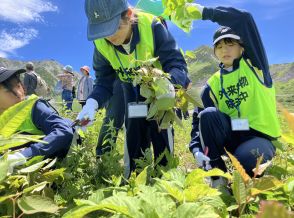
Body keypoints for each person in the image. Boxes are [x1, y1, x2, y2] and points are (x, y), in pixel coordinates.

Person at [78, 0, 190, 177]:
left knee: (162, 137)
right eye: (103, 31)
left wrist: (171, 84)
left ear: (129, 15)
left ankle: (166, 179)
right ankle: (134, 180)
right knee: (134, 137)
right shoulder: (101, 44)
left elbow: (177, 63)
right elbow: (104, 81)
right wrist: (91, 103)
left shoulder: (152, 26)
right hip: (130, 90)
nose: (110, 37)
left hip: (160, 93)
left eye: (114, 28)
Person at [189, 4, 281, 185]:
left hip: (258, 137)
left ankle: (245, 169)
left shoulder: (256, 67)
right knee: (207, 115)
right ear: (214, 52)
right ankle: (217, 177)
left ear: (242, 48)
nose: (225, 49)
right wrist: (196, 149)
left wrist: (205, 12)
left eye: (230, 43)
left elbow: (245, 19)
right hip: (231, 137)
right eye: (219, 46)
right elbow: (197, 119)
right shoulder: (212, 84)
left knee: (248, 162)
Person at [0, 67, 74, 172]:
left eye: (18, 83)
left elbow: (63, 131)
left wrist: (23, 155)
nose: (19, 87)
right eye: (8, 87)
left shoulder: (33, 106)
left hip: (55, 156)